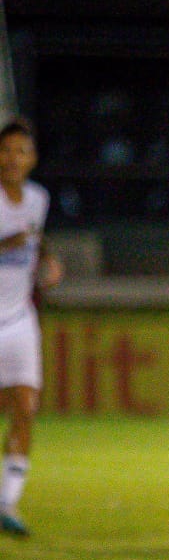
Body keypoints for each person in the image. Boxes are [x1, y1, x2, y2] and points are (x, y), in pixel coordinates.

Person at [0, 118, 63, 538]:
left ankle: (7, 502)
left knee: (26, 409)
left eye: (22, 151)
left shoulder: (38, 199)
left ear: (33, 158)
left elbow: (37, 240)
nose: (13, 158)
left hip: (20, 318)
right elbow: (17, 240)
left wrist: (49, 261)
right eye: (7, 150)